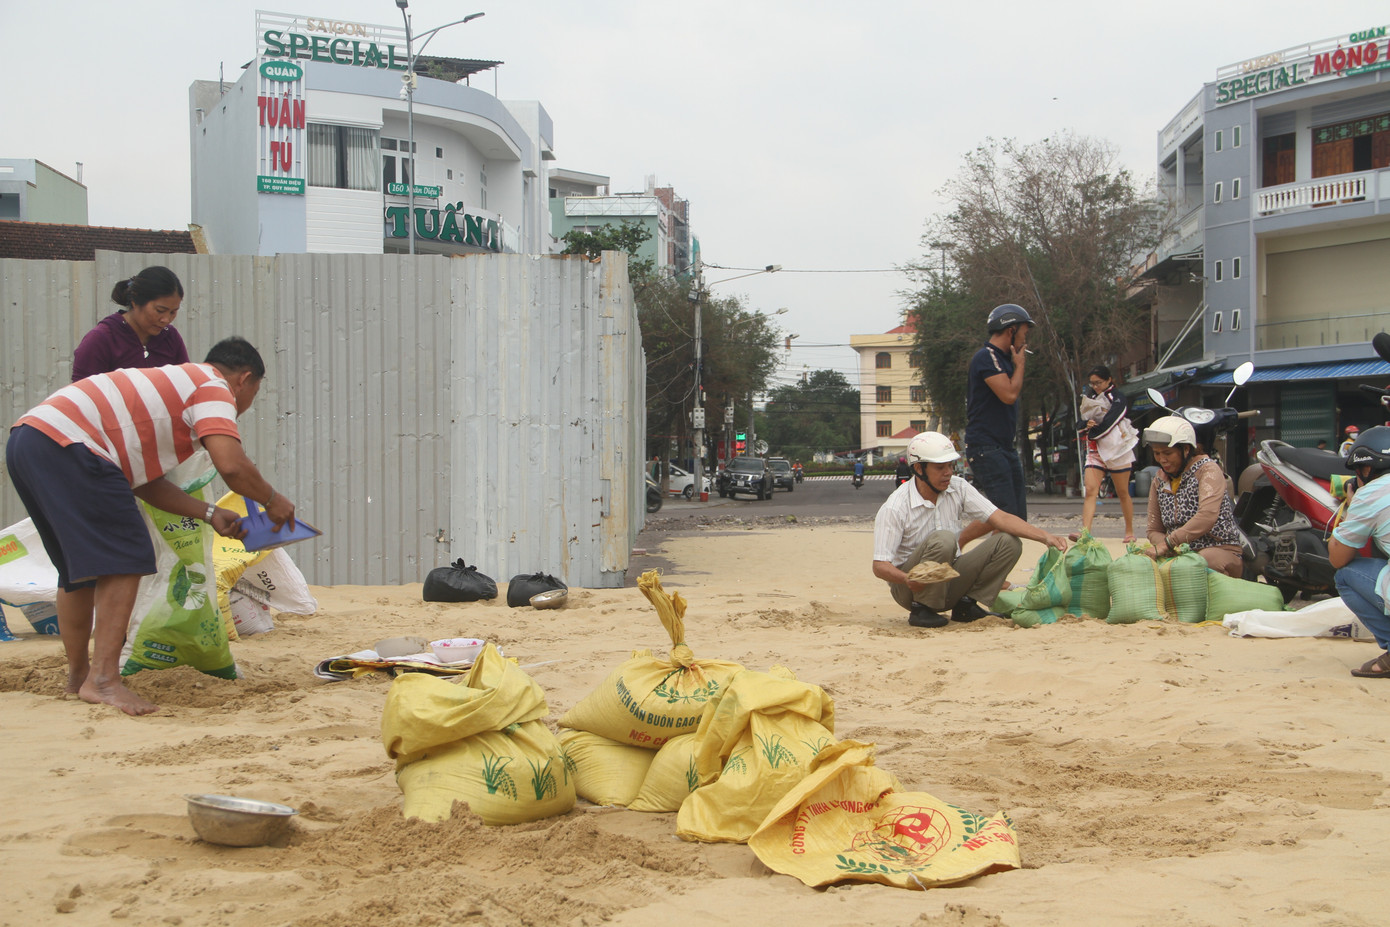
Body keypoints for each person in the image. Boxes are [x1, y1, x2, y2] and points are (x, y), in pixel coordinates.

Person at [5, 337, 296, 716]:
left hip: (31, 440)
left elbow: (143, 483)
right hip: (73, 446)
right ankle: (104, 680)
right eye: (255, 391)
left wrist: (208, 513)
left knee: (75, 573)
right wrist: (273, 500)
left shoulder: (171, 387)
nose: (248, 402)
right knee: (129, 556)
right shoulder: (212, 387)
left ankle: (79, 677)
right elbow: (232, 465)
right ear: (244, 380)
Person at [873, 432, 1068, 628]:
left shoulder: (958, 487)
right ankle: (923, 609)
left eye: (951, 466)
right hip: (910, 590)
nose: (948, 472)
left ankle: (965, 605)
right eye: (940, 467)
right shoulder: (895, 507)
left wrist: (1046, 537)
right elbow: (880, 566)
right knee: (944, 539)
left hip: (949, 579)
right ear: (918, 468)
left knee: (1009, 543)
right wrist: (907, 579)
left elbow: (1000, 518)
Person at [1142, 415, 1242, 577]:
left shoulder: (1207, 470)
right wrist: (1169, 548)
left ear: (1186, 449)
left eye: (1167, 453)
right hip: (1177, 552)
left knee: (1202, 561)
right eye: (1157, 453)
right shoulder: (1159, 480)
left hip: (1219, 550)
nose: (1162, 459)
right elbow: (1153, 529)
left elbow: (1206, 516)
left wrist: (1168, 543)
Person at [964, 304, 1034, 520]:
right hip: (986, 446)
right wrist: (1020, 365)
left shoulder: (1004, 359)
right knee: (1005, 515)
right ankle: (959, 541)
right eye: (1024, 332)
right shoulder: (987, 357)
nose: (1025, 339)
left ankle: (993, 551)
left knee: (1017, 518)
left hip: (1004, 447)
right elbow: (1009, 395)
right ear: (1011, 330)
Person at [1330, 426, 1390, 677]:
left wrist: (1351, 507)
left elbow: (1337, 558)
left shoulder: (1370, 494)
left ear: (1368, 467)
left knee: (1345, 575)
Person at [72, 266, 190, 382]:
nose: (166, 319)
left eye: (173, 312)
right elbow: (83, 396)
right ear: (135, 301)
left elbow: (185, 388)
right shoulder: (101, 340)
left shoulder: (171, 338)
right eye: (160, 310)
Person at [1076, 365, 1138, 541]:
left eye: (1099, 383)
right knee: (1090, 490)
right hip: (1095, 449)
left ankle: (1129, 531)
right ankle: (1085, 533)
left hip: (1117, 448)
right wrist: (1085, 426)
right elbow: (1080, 422)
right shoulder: (1090, 397)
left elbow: (1112, 420)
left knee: (1122, 491)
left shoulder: (1118, 397)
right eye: (1092, 383)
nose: (1095, 386)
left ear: (1109, 379)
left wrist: (1094, 431)